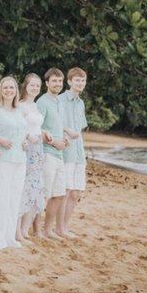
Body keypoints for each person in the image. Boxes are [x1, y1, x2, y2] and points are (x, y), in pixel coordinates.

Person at [0, 76, 27, 249]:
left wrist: (25, 141)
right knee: (1, 198)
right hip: (4, 159)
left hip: (20, 159)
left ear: (16, 91)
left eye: (12, 88)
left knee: (14, 198)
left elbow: (22, 132)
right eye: (5, 88)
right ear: (0, 90)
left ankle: (9, 236)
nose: (9, 90)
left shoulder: (19, 111)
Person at [36, 68, 68, 240]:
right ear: (47, 83)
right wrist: (54, 142)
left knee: (59, 194)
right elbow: (37, 129)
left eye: (60, 81)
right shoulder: (42, 102)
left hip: (59, 155)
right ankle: (37, 230)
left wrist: (63, 140)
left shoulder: (58, 103)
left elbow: (55, 128)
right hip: (47, 153)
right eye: (54, 81)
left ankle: (48, 230)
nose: (57, 84)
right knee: (45, 194)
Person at [60, 67, 88, 239]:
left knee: (76, 192)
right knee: (65, 191)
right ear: (69, 81)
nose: (80, 83)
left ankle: (65, 226)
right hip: (66, 150)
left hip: (79, 151)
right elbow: (53, 122)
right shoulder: (61, 100)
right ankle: (59, 228)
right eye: (77, 80)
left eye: (83, 80)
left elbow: (80, 128)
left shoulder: (81, 103)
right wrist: (67, 130)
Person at [17, 73, 46, 241]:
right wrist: (28, 135)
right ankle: (18, 231)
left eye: (37, 85)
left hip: (38, 150)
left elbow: (36, 126)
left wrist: (43, 134)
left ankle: (25, 230)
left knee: (35, 189)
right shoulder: (21, 106)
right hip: (27, 150)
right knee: (24, 188)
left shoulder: (35, 106)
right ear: (25, 86)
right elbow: (19, 128)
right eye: (32, 85)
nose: (35, 88)